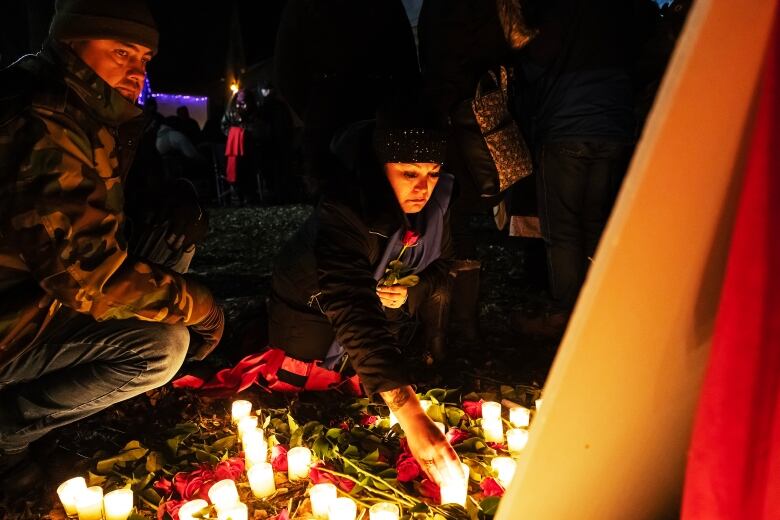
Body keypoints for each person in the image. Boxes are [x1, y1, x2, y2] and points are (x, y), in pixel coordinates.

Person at [0, 0, 224, 494]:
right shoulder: (45, 119)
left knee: (173, 229)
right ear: (71, 44)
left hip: (35, 294)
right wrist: (199, 305)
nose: (137, 70)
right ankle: (9, 430)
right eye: (121, 51)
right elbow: (88, 279)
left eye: (144, 58)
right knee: (162, 348)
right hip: (12, 321)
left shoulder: (85, 109)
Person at [259, 96, 462, 484]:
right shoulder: (348, 204)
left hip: (370, 307)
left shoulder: (437, 206)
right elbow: (348, 297)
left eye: (433, 173)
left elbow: (443, 266)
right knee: (307, 375)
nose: (424, 188)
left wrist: (410, 293)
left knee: (367, 369)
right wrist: (411, 414)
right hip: (310, 300)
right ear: (380, 164)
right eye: (409, 173)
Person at [511, 0, 640, 337]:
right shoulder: (624, 10)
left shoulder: (563, 6)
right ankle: (602, 308)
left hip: (568, 124)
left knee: (564, 226)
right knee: (598, 222)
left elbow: (537, 59)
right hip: (615, 125)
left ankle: (568, 315)